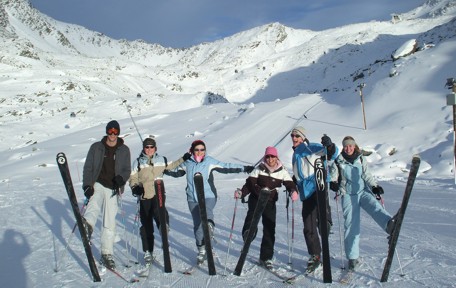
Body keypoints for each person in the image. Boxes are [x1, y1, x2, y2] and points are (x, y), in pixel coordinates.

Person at [179, 139, 254, 264]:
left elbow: (226, 167)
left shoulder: (209, 162)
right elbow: (174, 171)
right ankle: (202, 249)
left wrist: (244, 168)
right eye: (197, 150)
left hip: (208, 196)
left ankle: (209, 226)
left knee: (207, 212)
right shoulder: (187, 163)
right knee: (198, 226)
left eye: (202, 150)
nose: (199, 152)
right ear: (192, 151)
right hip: (192, 198)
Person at [329, 136, 396, 271]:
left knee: (375, 206)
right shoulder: (338, 161)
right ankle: (353, 258)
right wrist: (333, 183)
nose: (348, 148)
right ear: (343, 147)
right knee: (351, 225)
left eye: (350, 146)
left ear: (354, 146)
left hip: (362, 191)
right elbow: (333, 176)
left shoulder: (360, 158)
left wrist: (374, 186)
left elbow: (366, 175)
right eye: (346, 146)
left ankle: (389, 225)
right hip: (348, 195)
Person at [235, 146, 299, 270]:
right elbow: (249, 184)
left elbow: (290, 183)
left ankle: (266, 257)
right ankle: (249, 233)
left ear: (276, 157)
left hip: (269, 201)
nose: (270, 159)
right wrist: (241, 193)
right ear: (265, 157)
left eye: (272, 156)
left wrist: (293, 191)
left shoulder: (282, 171)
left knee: (269, 228)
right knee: (252, 216)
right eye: (268, 157)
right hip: (256, 198)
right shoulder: (259, 169)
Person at [128, 137, 187, 266]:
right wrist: (135, 188)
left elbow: (172, 165)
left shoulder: (161, 160)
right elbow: (132, 177)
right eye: (147, 147)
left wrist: (184, 158)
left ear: (155, 148)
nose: (149, 149)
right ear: (144, 148)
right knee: (146, 225)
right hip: (144, 196)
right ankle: (148, 251)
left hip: (158, 192)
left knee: (159, 210)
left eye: (151, 147)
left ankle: (163, 226)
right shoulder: (138, 162)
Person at [81, 120, 131, 270]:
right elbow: (88, 167)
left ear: (118, 133)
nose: (112, 135)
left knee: (109, 220)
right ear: (107, 132)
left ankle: (107, 253)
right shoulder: (96, 147)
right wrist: (87, 185)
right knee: (94, 202)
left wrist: (121, 179)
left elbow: (127, 169)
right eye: (110, 131)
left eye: (115, 132)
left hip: (113, 187)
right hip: (98, 182)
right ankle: (87, 225)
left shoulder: (124, 149)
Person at [290, 125, 338, 273]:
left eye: (297, 136)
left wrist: (329, 146)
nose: (294, 138)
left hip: (318, 186)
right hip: (305, 193)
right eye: (292, 136)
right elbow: (300, 173)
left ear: (303, 137)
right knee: (308, 226)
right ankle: (315, 255)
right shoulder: (295, 154)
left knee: (322, 217)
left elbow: (331, 154)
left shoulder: (312, 147)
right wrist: (294, 183)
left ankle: (326, 222)